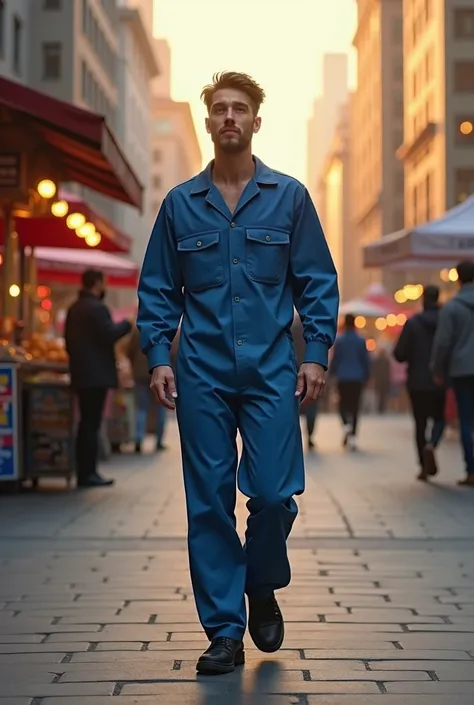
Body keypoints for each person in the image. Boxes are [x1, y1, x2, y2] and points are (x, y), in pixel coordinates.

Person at [137, 71, 339, 675]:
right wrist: (156, 358)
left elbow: (318, 281)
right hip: (200, 370)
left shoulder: (290, 197)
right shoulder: (179, 205)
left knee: (274, 494)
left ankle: (261, 582)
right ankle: (224, 631)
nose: (230, 116)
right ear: (209, 123)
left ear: (255, 121)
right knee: (209, 503)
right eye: (220, 108)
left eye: (240, 109)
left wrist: (316, 353)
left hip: (273, 371)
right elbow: (156, 290)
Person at [65, 269, 131, 487]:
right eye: (104, 283)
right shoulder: (96, 308)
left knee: (85, 423)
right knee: (90, 425)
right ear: (97, 284)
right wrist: (128, 323)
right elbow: (109, 333)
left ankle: (84, 471)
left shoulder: (74, 308)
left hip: (81, 374)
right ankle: (88, 473)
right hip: (96, 376)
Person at [393, 285, 445, 481]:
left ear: (423, 300)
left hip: (417, 380)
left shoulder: (413, 323)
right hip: (440, 379)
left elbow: (399, 354)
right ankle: (433, 443)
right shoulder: (446, 321)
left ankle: (423, 466)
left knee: (420, 422)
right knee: (440, 418)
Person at [431, 261, 474, 487]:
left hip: (461, 369)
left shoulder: (452, 307)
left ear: (458, 278)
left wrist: (438, 369)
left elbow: (443, 343)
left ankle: (471, 470)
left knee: (466, 419)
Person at [329, 314, 370, 451]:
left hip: (343, 376)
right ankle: (353, 434)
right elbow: (365, 360)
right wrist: (367, 375)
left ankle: (346, 425)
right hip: (357, 377)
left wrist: (332, 374)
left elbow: (336, 359)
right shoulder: (360, 340)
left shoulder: (340, 340)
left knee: (342, 404)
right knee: (355, 406)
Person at [126, 324, 168, 453]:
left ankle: (138, 439)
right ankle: (159, 441)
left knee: (141, 408)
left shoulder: (137, 329)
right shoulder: (163, 327)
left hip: (140, 373)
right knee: (161, 406)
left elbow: (129, 350)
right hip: (159, 371)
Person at [291, 312, 319, 450]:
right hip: (310, 369)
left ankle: (294, 437)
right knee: (311, 405)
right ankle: (310, 436)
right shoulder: (313, 329)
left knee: (291, 407)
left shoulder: (290, 327)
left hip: (292, 371)